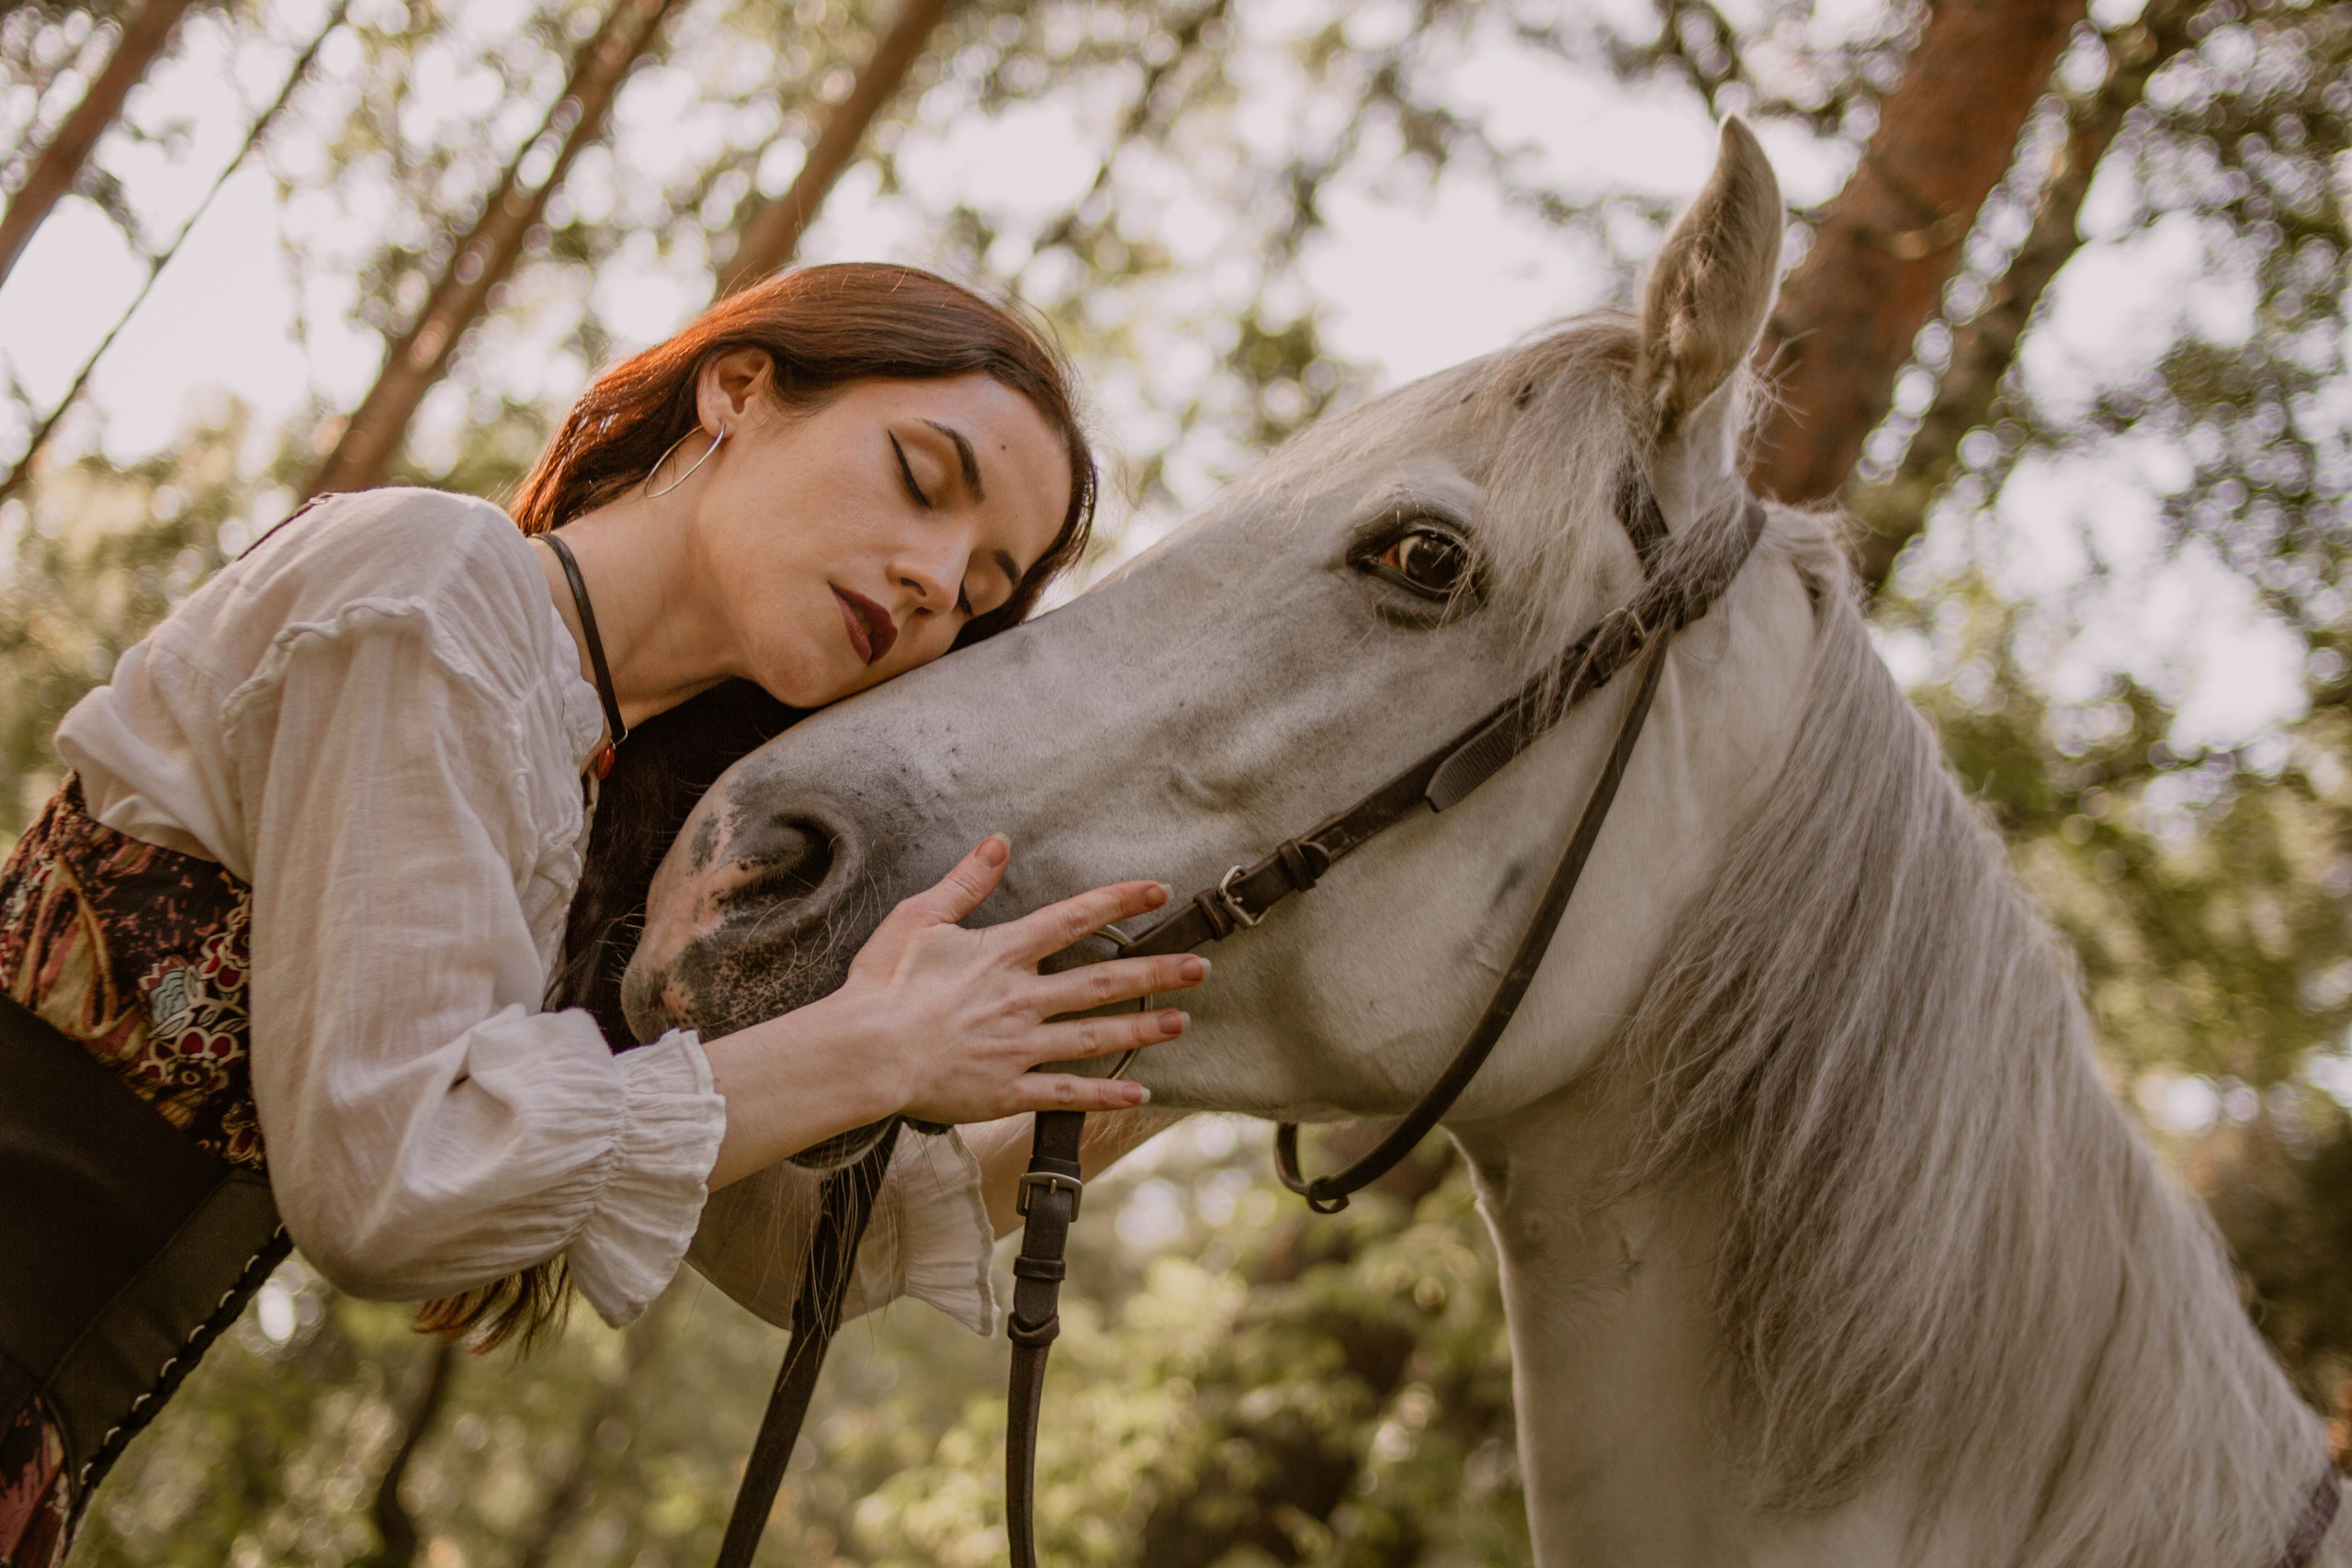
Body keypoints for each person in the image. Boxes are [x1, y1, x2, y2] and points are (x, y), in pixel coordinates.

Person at [0, 263, 1206, 1565]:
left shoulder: (600, 818)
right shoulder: (438, 587)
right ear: (738, 390)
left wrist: (1194, 1034)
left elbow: (803, 1254)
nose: (932, 581)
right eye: (921, 479)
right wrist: (875, 1047)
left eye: (976, 595)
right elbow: (393, 1178)